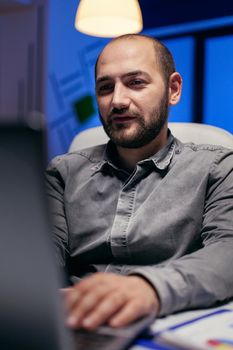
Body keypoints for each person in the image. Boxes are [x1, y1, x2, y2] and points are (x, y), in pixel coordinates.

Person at [46, 34, 233, 331]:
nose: (117, 101)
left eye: (136, 82)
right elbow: (41, 255)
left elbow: (228, 252)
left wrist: (148, 288)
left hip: (166, 321)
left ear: (173, 89)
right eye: (105, 87)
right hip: (73, 320)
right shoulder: (62, 173)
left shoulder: (219, 167)